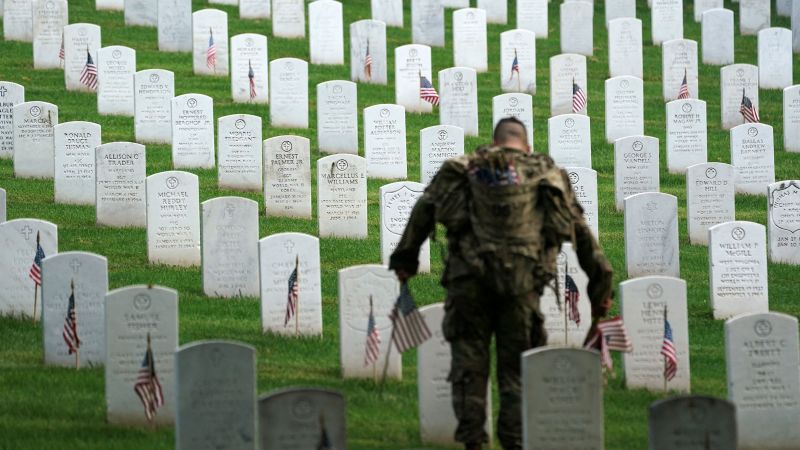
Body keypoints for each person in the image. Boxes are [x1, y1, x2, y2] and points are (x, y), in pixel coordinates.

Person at [389, 118, 614, 450]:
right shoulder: (545, 174)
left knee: (469, 368)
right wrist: (600, 288)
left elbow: (424, 210)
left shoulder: (462, 170)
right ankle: (514, 442)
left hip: (469, 284)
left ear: (494, 143)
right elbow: (580, 234)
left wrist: (405, 261)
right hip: (521, 287)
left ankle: (473, 443)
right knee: (516, 373)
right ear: (526, 145)